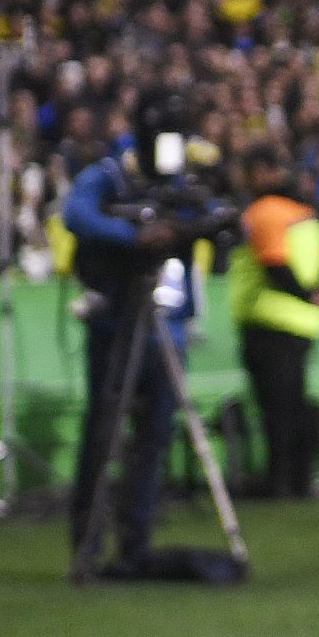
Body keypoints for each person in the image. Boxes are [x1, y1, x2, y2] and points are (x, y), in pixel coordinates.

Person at [62, 124, 198, 572]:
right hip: (116, 321)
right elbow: (76, 215)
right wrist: (133, 235)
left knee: (156, 433)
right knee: (105, 430)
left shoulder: (175, 185)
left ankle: (135, 541)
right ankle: (89, 541)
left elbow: (203, 211)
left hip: (165, 325)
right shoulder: (105, 177)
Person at [229, 143, 319, 497]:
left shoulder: (265, 211)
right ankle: (299, 476)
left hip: (271, 322)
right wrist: (314, 295)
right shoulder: (305, 214)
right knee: (293, 403)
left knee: (278, 409)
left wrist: (304, 294)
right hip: (301, 323)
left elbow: (274, 264)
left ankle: (282, 480)